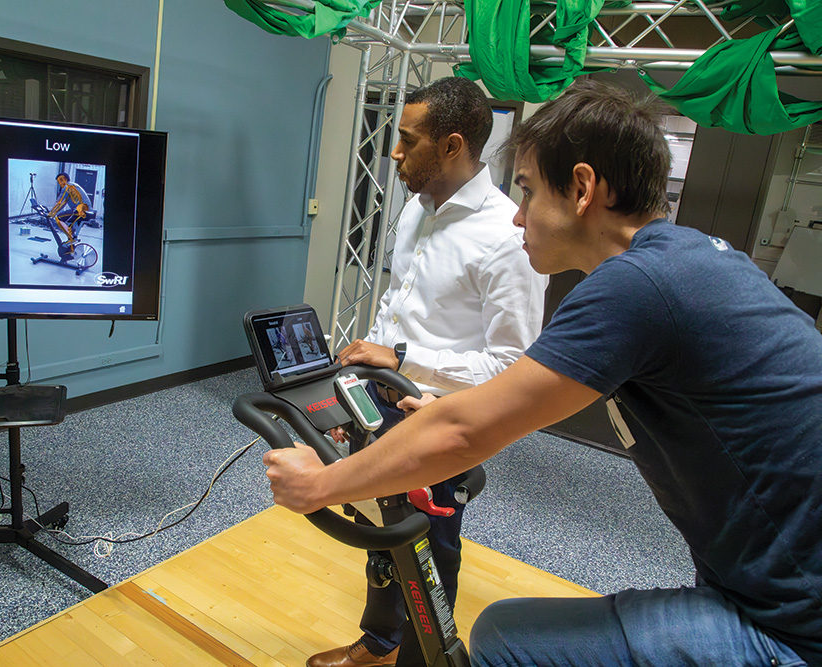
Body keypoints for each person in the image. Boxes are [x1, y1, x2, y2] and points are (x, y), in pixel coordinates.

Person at [265, 79, 822, 666]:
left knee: (507, 639)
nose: (517, 217)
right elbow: (536, 393)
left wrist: (321, 484)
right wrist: (468, 411)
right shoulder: (693, 258)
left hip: (792, 620)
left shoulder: (634, 287)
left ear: (582, 189)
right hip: (761, 585)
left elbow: (465, 430)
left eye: (527, 192)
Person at [308, 76, 547, 667]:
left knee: (430, 554)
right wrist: (360, 384)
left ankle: (424, 660)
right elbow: (397, 310)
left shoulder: (506, 237)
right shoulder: (416, 210)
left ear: (451, 145)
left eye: (406, 141)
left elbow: (515, 365)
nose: (393, 154)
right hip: (384, 400)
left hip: (440, 415)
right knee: (381, 533)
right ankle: (381, 641)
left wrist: (407, 361)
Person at [48, 172, 91, 245]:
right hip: (87, 211)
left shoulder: (67, 187)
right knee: (69, 223)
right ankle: (71, 241)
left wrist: (51, 214)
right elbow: (63, 203)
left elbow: (60, 202)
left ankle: (71, 239)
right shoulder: (73, 185)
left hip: (80, 211)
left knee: (58, 218)